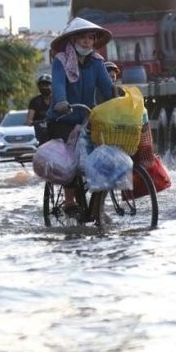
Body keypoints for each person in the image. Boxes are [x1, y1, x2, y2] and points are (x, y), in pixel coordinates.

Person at [46, 17, 116, 212]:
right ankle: (69, 202)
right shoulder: (61, 60)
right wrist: (61, 101)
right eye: (82, 38)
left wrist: (120, 100)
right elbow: (58, 84)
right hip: (62, 118)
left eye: (90, 38)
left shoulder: (97, 62)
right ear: (73, 40)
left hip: (87, 117)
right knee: (69, 161)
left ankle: (96, 207)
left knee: (102, 159)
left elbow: (107, 87)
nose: (87, 42)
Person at [26, 72, 53, 143]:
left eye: (47, 85)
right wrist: (35, 122)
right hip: (41, 134)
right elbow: (29, 120)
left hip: (57, 132)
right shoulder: (35, 101)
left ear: (52, 86)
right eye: (42, 85)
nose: (44, 87)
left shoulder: (57, 99)